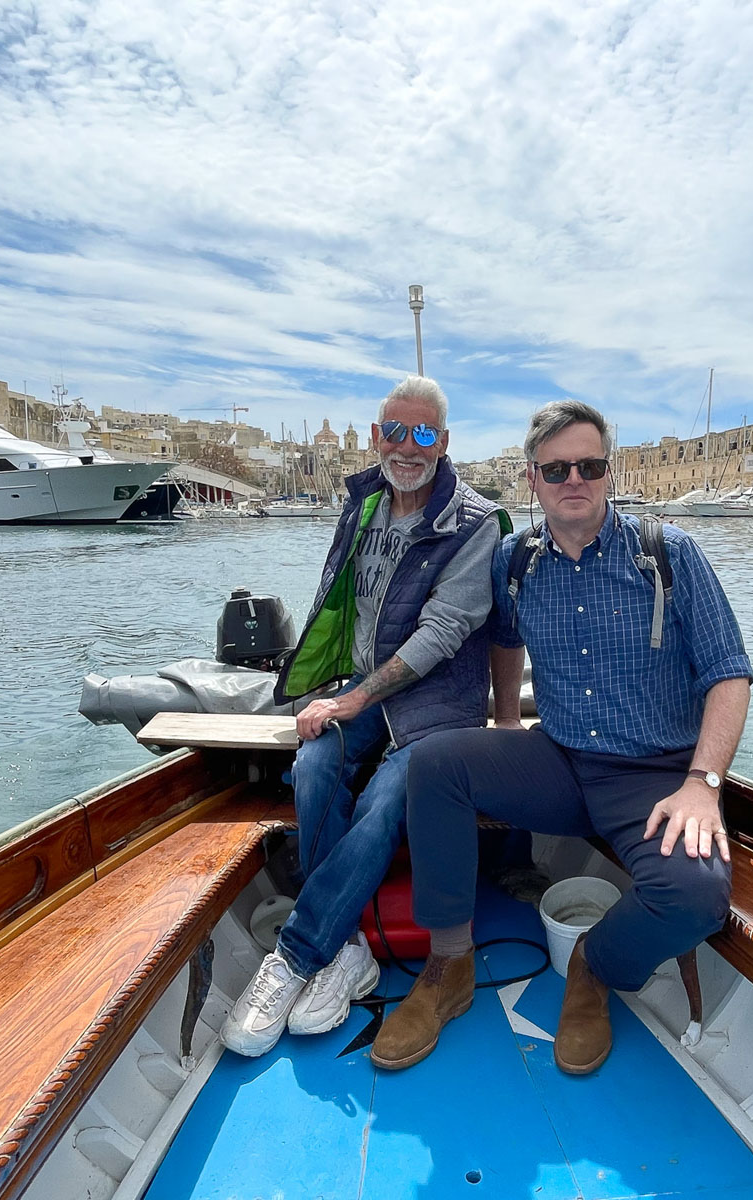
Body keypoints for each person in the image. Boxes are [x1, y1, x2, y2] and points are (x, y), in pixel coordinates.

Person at [371, 399, 753, 1075]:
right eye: (555, 470)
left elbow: (729, 674)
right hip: (559, 758)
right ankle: (448, 963)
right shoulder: (516, 561)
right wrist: (508, 723)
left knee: (696, 897)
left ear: (609, 472)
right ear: (532, 480)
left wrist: (702, 784)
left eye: (588, 465)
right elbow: (505, 640)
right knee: (434, 765)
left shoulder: (668, 555)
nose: (572, 479)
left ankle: (594, 966)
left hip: (653, 776)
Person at [221, 376, 508, 1057]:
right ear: (377, 436)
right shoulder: (364, 503)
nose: (409, 447)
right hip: (365, 690)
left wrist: (351, 699)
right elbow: (340, 603)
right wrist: (322, 689)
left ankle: (295, 955)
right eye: (396, 432)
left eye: (426, 434)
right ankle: (347, 949)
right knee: (314, 762)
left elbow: (441, 633)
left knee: (384, 801)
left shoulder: (474, 524)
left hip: (436, 706)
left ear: (445, 443)